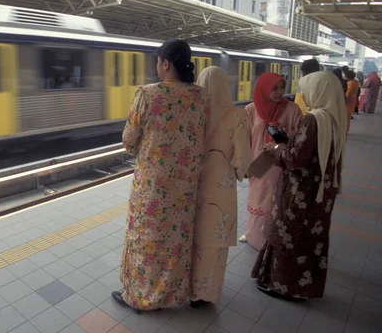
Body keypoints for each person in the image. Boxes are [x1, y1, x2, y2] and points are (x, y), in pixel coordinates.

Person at [113, 39, 209, 313]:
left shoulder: (147, 94)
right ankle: (171, 294)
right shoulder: (201, 96)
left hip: (152, 186)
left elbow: (129, 140)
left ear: (165, 64)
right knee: (175, 242)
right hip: (186, 186)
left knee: (147, 240)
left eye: (158, 61)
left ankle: (141, 297)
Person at [252, 71, 347, 300]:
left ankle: (285, 287)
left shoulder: (312, 119)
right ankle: (304, 286)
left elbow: (295, 159)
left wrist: (276, 150)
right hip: (320, 193)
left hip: (300, 192)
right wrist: (288, 142)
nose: (304, 95)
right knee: (310, 240)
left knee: (287, 236)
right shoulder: (335, 118)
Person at [190, 66, 252, 308]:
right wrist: (239, 172)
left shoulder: (192, 111)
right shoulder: (237, 116)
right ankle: (205, 294)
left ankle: (186, 287)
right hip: (220, 187)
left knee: (192, 237)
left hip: (192, 184)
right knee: (214, 240)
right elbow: (243, 159)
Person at [240, 73, 302, 250]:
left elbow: (300, 138)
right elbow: (246, 138)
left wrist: (283, 139)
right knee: (256, 198)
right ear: (264, 89)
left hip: (280, 165)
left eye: (282, 87)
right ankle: (253, 234)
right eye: (274, 88)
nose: (280, 91)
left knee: (275, 201)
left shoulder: (293, 109)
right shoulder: (251, 110)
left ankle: (270, 240)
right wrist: (244, 163)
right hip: (258, 164)